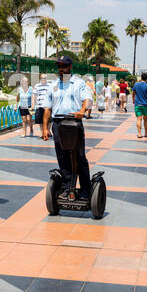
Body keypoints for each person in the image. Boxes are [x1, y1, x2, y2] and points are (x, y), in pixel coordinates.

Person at [43, 55, 92, 200]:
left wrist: (82, 111)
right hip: (58, 124)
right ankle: (66, 189)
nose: (61, 69)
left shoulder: (78, 83)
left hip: (73, 123)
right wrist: (45, 128)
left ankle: (85, 190)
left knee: (79, 157)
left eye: (64, 66)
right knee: (62, 157)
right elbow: (47, 108)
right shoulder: (53, 85)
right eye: (59, 66)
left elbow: (87, 99)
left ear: (70, 67)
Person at [132, 73, 147, 138]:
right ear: (146, 78)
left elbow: (133, 93)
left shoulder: (136, 84)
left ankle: (139, 133)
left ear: (141, 78)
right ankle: (146, 133)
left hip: (138, 104)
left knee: (139, 118)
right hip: (145, 104)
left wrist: (133, 100)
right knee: (145, 119)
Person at [32, 73, 51, 138]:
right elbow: (34, 95)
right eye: (42, 78)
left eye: (45, 78)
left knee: (49, 120)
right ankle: (42, 133)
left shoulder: (49, 85)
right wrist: (33, 105)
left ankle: (48, 131)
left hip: (48, 106)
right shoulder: (37, 86)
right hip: (39, 105)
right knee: (40, 120)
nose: (43, 79)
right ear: (40, 79)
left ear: (46, 79)